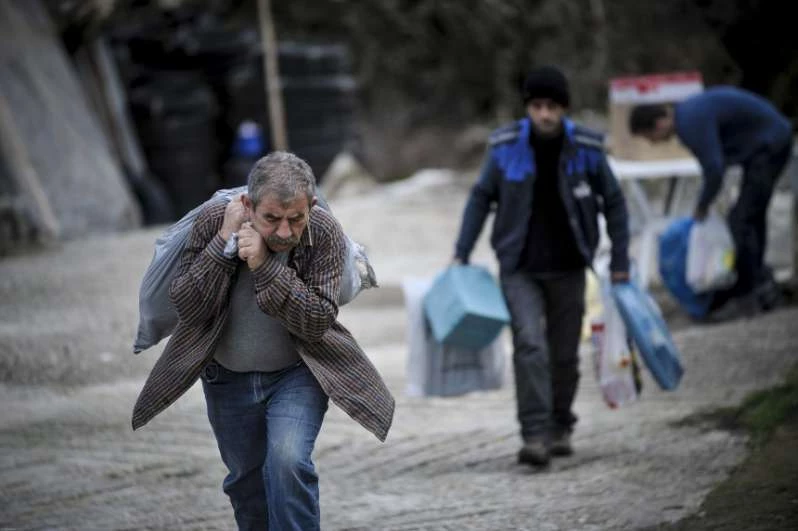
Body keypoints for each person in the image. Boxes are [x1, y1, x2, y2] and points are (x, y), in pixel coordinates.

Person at [131, 151, 395, 530]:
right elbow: (189, 309)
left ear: (312, 207)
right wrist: (223, 244)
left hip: (297, 376)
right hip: (227, 379)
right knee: (246, 482)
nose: (284, 232)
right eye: (271, 218)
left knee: (288, 463)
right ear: (248, 205)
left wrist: (265, 266)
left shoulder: (323, 231)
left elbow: (317, 319)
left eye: (295, 219)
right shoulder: (213, 222)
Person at [452, 66, 631, 467]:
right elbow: (481, 197)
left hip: (570, 267)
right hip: (520, 267)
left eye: (552, 106)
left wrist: (620, 260)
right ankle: (534, 434)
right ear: (528, 108)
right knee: (530, 345)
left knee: (564, 355)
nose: (544, 114)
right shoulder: (504, 147)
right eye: (537, 106)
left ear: (563, 108)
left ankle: (560, 424)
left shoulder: (586, 147)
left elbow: (615, 202)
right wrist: (461, 251)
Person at [628, 87, 793, 315]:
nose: (655, 143)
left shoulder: (689, 123)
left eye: (650, 138)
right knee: (749, 217)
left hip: (770, 144)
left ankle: (751, 292)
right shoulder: (688, 114)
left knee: (742, 220)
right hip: (769, 142)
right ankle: (760, 283)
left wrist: (702, 206)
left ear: (659, 124)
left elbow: (714, 168)